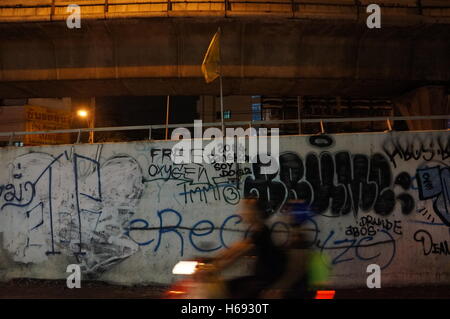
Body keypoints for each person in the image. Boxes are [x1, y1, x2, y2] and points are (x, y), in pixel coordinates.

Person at [211, 196, 287, 299]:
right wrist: (211, 260)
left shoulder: (262, 232)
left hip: (267, 279)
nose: (242, 213)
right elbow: (236, 248)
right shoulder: (257, 230)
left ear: (256, 212)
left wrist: (215, 268)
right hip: (261, 276)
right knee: (231, 285)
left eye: (246, 209)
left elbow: (239, 253)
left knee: (231, 289)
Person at [261, 199, 314, 299]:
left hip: (297, 291)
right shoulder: (298, 235)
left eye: (289, 210)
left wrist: (278, 288)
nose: (287, 213)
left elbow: (296, 270)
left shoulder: (298, 239)